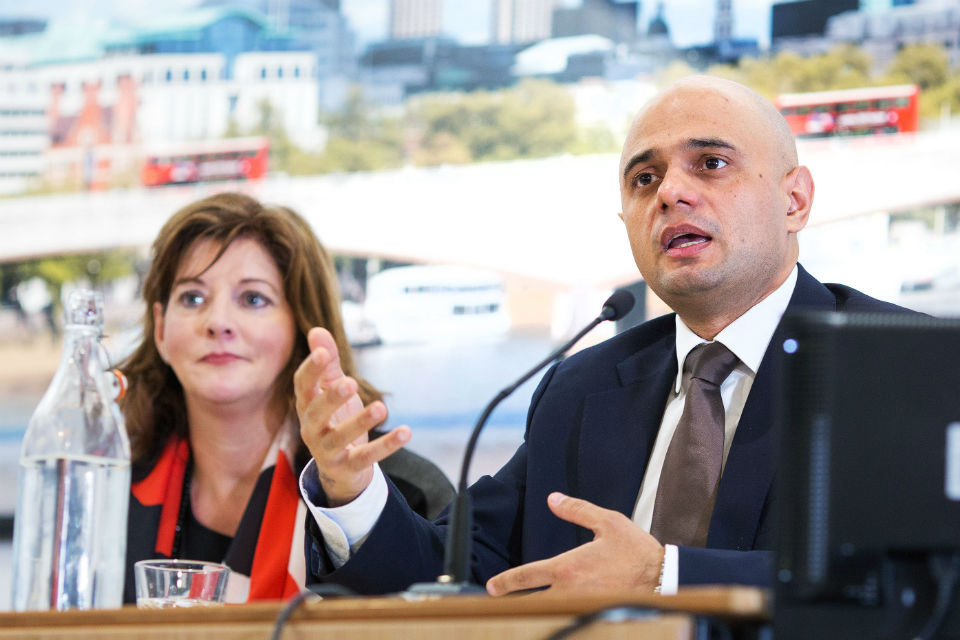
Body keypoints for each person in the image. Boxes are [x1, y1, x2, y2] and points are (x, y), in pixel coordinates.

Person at [294, 76, 911, 596]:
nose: (670, 192)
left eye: (711, 164)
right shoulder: (580, 387)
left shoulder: (902, 364)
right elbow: (459, 570)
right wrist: (351, 491)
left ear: (795, 200)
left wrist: (665, 576)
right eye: (644, 179)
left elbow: (917, 585)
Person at [119, 192, 453, 604]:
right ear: (160, 328)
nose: (218, 322)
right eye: (192, 298)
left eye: (253, 299)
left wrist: (349, 497)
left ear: (302, 325)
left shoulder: (405, 492)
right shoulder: (110, 486)